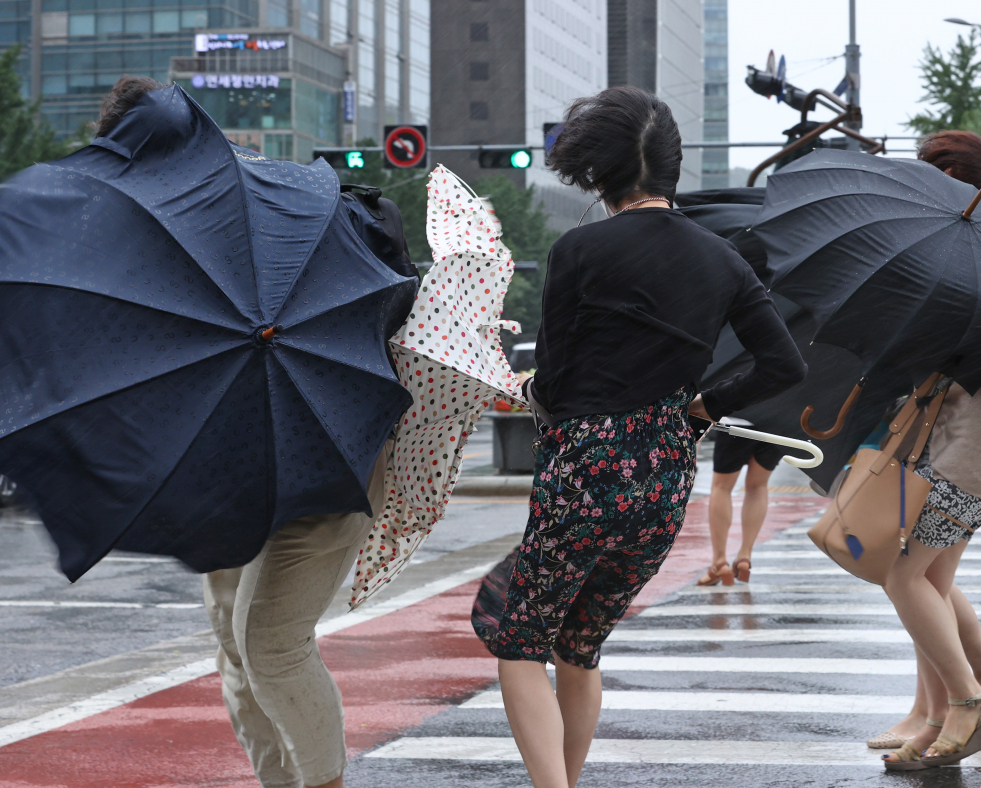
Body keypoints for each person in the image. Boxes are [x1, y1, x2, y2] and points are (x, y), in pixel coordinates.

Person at [477, 86, 806, 788]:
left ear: (598, 175)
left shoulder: (580, 249)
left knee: (520, 639)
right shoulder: (724, 262)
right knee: (582, 643)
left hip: (586, 472)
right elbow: (784, 363)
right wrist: (702, 408)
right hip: (664, 474)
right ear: (671, 169)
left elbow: (558, 384)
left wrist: (526, 391)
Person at [93, 76, 409, 788]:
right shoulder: (149, 225)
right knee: (234, 649)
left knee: (268, 645)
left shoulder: (280, 204)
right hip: (226, 463)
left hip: (325, 440)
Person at [878, 131, 981, 770]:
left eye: (945, 178)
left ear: (980, 191)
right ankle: (943, 710)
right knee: (932, 578)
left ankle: (970, 699)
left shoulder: (976, 259)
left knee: (903, 574)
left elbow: (952, 357)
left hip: (976, 444)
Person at [696, 431, 783, 585]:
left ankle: (720, 562)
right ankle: (744, 556)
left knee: (721, 487)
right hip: (776, 422)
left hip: (738, 421)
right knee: (758, 486)